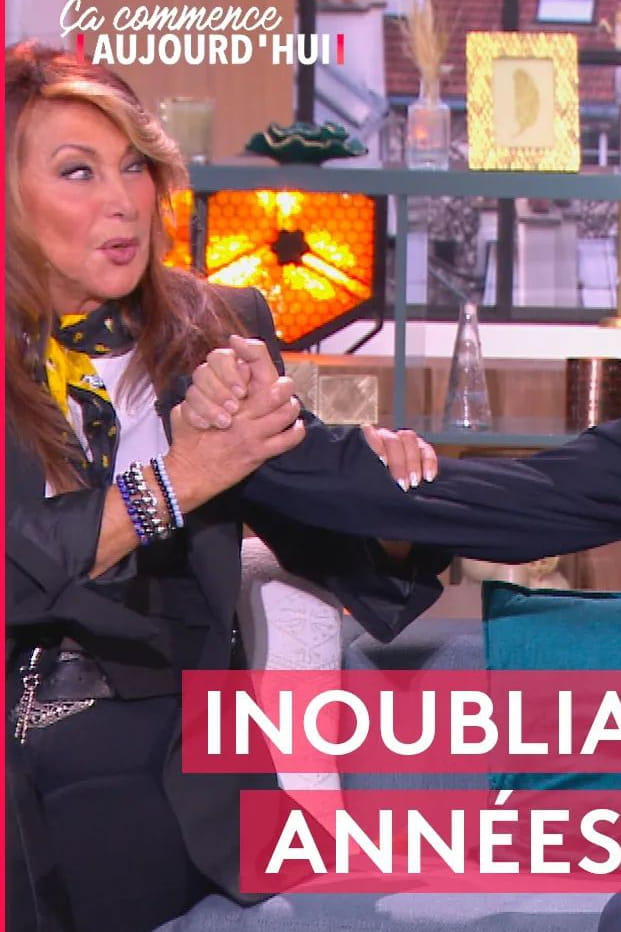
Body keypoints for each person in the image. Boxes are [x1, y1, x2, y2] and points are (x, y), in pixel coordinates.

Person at [5, 40, 620, 932]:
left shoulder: (216, 326)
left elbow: (326, 525)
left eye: (134, 165)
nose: (123, 199)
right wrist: (177, 482)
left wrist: (392, 497)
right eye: (77, 172)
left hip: (173, 778)